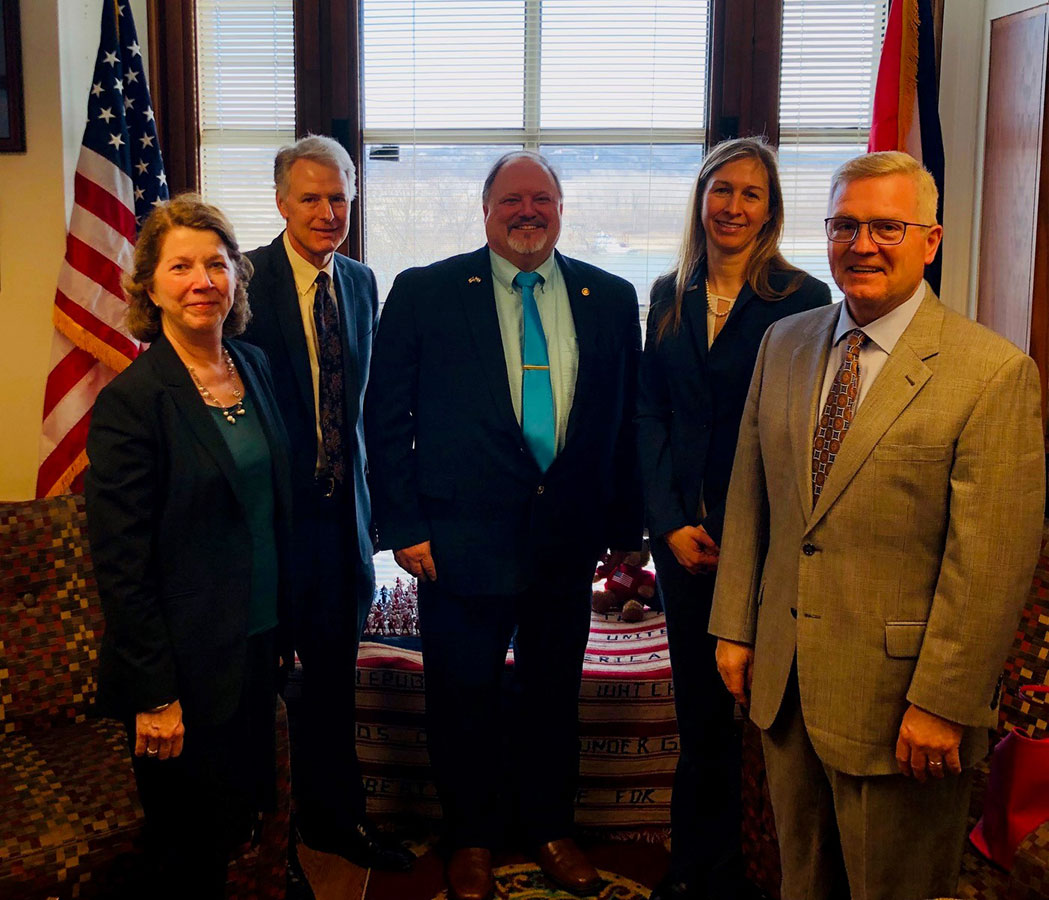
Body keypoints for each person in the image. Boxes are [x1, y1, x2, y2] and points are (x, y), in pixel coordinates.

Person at [709, 150, 1045, 900]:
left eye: (887, 227)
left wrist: (942, 704)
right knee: (803, 879)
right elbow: (749, 495)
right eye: (844, 225)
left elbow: (988, 565)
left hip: (903, 709)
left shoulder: (990, 373)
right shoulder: (784, 343)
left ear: (930, 240)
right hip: (785, 682)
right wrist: (734, 624)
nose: (861, 245)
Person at [364, 150, 643, 900]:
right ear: (484, 210)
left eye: (541, 199)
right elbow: (385, 420)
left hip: (565, 543)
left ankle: (551, 830)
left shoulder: (610, 297)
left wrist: (624, 527)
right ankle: (471, 841)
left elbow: (623, 423)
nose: (528, 212)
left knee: (553, 696)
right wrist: (403, 526)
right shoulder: (424, 293)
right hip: (455, 545)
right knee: (464, 699)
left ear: (560, 208)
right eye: (511, 199)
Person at [637, 136, 830, 900]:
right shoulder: (667, 292)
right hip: (685, 539)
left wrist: (753, 533)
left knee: (760, 714)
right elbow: (647, 414)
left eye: (750, 194)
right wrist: (668, 522)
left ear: (770, 209)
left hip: (769, 540)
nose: (733, 206)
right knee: (699, 718)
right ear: (701, 198)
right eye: (722, 190)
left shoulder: (804, 299)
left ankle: (765, 868)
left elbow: (804, 431)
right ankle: (696, 871)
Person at [85, 195, 295, 899]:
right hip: (180, 671)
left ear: (237, 276)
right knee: (188, 852)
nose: (202, 280)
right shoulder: (133, 402)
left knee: (239, 821)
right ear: (149, 285)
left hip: (254, 646)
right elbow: (122, 564)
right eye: (181, 266)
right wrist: (155, 696)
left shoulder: (255, 366)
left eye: (216, 263)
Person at [240, 135, 412, 871]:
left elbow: (367, 410)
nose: (326, 211)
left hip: (344, 524)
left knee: (334, 682)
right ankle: (261, 831)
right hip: (272, 525)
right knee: (268, 684)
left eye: (338, 197)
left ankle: (335, 821)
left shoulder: (362, 282)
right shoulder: (242, 278)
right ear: (281, 202)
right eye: (310, 197)